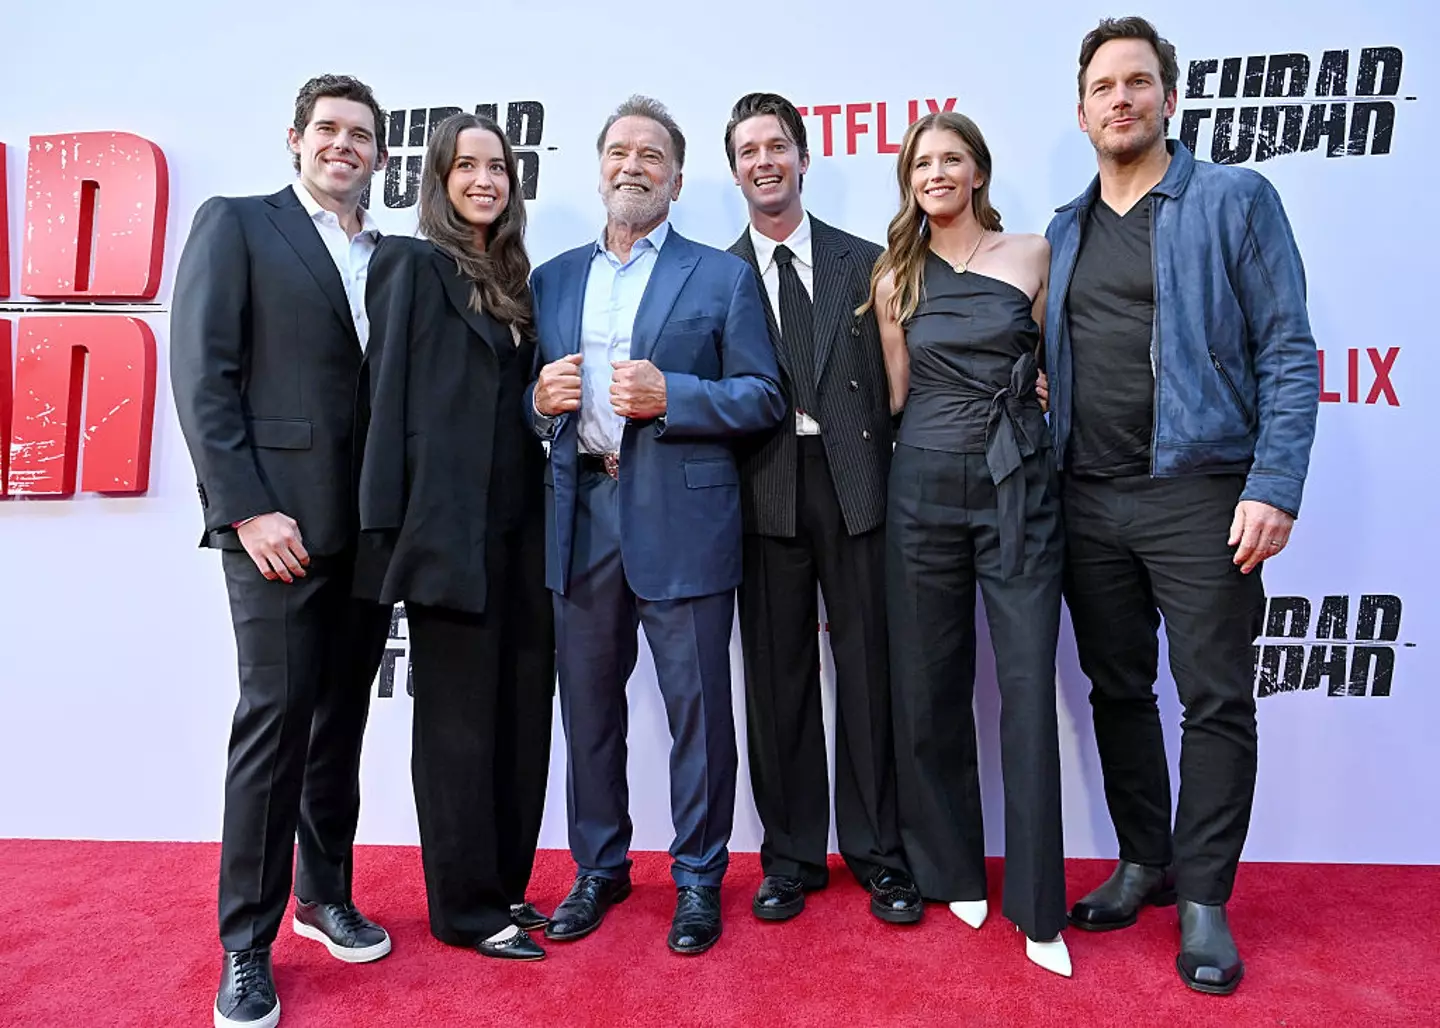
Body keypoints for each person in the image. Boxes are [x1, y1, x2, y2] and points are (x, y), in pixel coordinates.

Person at [1045, 17, 1319, 995]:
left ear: (1168, 96)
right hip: (1089, 500)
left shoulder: (1235, 199)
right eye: (1104, 86)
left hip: (1204, 494)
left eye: (1138, 81)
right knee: (1117, 689)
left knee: (1213, 698)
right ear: (1081, 112)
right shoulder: (1065, 230)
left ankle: (1203, 896)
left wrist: (1273, 484)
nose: (1121, 98)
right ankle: (1143, 859)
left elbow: (1288, 347)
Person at [527, 95, 784, 956]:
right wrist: (536, 403)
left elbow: (763, 396)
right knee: (590, 712)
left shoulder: (723, 275)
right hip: (581, 516)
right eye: (618, 152)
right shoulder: (554, 277)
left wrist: (679, 395)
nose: (632, 165)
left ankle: (700, 878)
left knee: (698, 715)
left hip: (683, 516)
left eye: (652, 155)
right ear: (599, 168)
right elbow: (532, 400)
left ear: (676, 178)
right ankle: (598, 869)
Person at [171, 74, 394, 1028]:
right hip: (277, 533)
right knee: (274, 728)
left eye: (361, 136)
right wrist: (249, 509)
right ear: (295, 140)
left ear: (381, 157)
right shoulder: (237, 224)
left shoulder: (390, 257)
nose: (343, 145)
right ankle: (244, 946)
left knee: (339, 725)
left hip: (365, 532)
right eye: (328, 130)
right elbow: (203, 378)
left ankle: (322, 896)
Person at [867, 111, 1071, 976]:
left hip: (1017, 483)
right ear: (909, 178)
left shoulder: (1035, 253)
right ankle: (951, 868)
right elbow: (897, 399)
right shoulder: (894, 276)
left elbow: (1061, 364)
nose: (936, 174)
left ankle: (1038, 906)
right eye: (922, 163)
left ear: (979, 172)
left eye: (952, 160)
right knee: (928, 685)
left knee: (1027, 688)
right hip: (921, 486)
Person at [356, 113, 555, 961]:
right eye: (465, 167)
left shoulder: (514, 278)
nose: (484, 179)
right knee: (457, 731)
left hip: (522, 533)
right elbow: (385, 401)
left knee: (519, 716)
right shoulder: (409, 264)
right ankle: (463, 911)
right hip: (445, 538)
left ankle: (507, 886)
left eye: (498, 167)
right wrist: (384, 540)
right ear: (436, 180)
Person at [723, 92, 921, 925]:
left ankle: (879, 853)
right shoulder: (714, 273)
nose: (764, 161)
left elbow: (903, 379)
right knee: (776, 681)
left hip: (857, 482)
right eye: (748, 151)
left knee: (870, 672)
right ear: (734, 171)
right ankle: (792, 857)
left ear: (803, 158)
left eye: (777, 146)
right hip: (762, 484)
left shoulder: (867, 261)